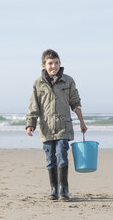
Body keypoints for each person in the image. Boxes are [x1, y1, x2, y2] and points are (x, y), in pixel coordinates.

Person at [26, 49, 87, 201]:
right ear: (44, 65)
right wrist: (30, 124)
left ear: (60, 63)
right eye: (50, 63)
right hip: (46, 129)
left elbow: (75, 102)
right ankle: (53, 189)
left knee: (61, 156)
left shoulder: (68, 81)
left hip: (63, 127)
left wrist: (82, 122)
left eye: (56, 63)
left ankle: (64, 190)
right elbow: (34, 106)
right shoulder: (37, 84)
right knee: (50, 158)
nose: (54, 66)